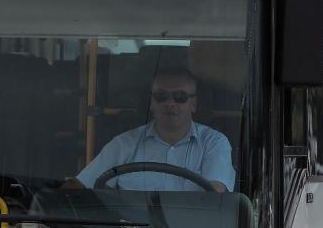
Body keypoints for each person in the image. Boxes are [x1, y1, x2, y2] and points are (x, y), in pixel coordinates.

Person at [68, 67, 234, 193]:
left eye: (180, 97)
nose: (170, 103)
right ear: (151, 103)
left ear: (194, 104)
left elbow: (215, 196)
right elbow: (78, 186)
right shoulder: (124, 144)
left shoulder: (214, 143)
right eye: (161, 96)